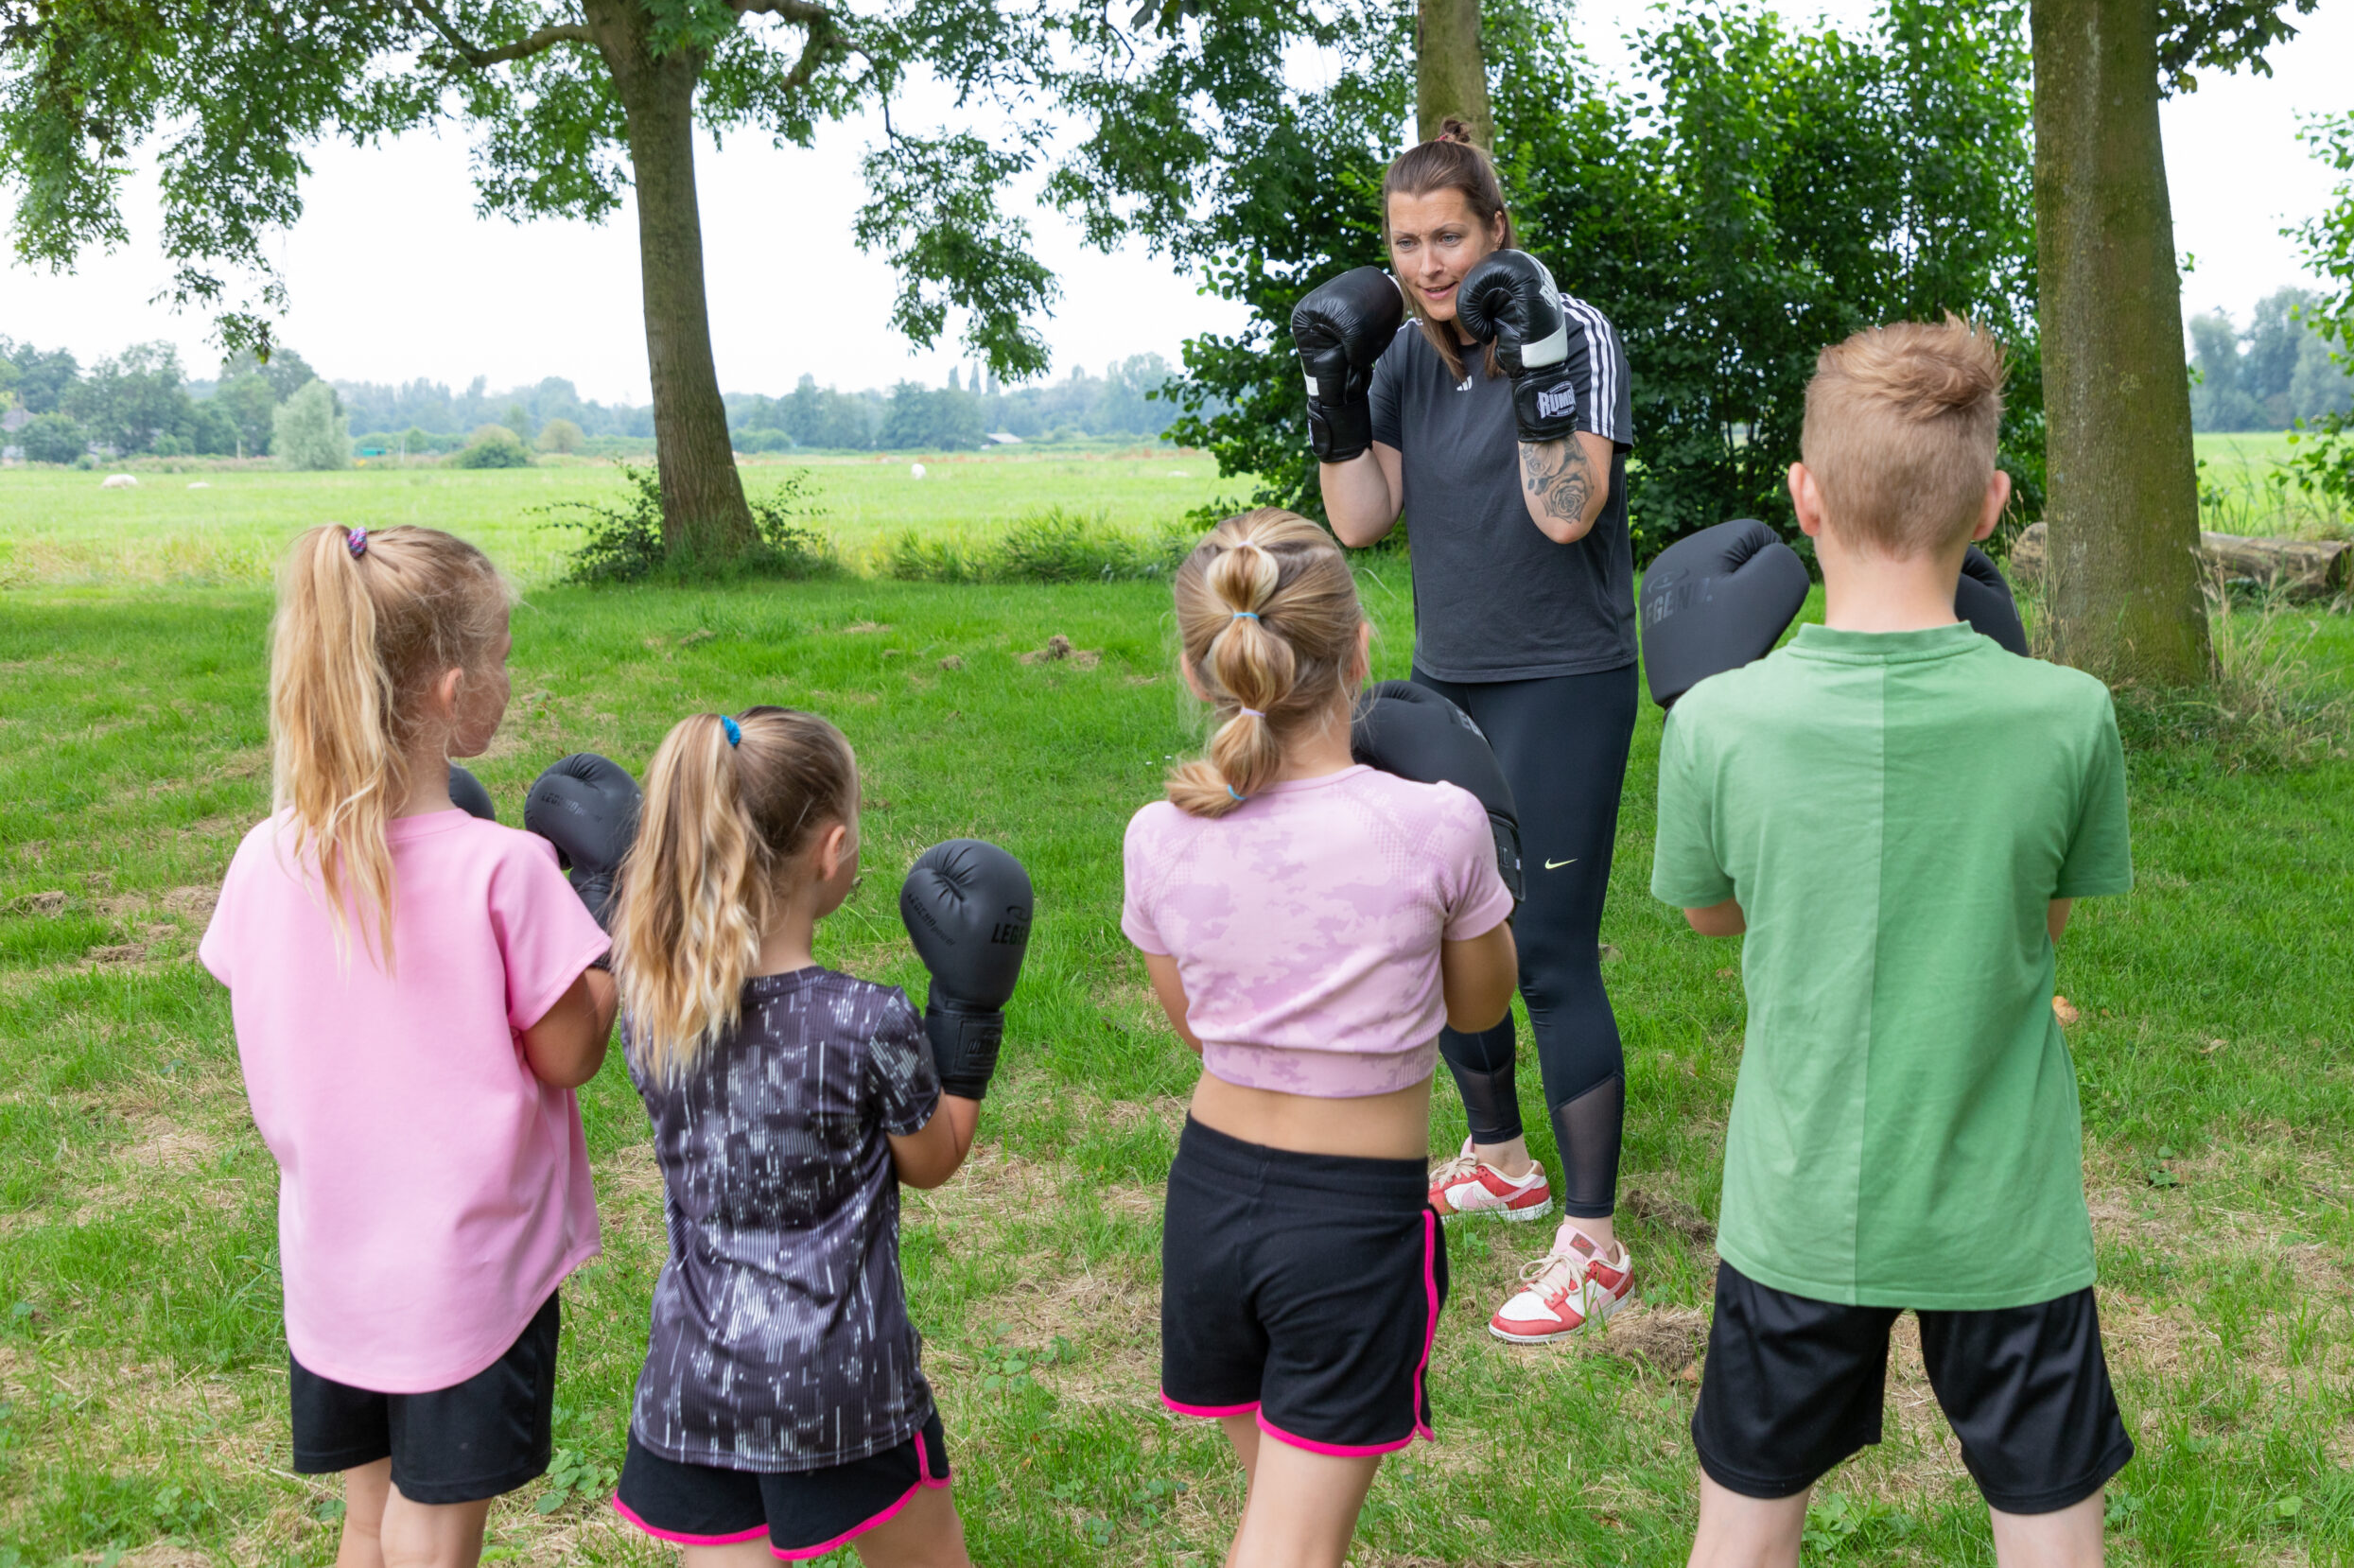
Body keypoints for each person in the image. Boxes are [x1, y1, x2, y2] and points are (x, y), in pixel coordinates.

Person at [1650, 320, 2136, 1566]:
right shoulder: (2067, 713)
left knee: (1742, 1529)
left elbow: (1715, 911)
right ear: (1992, 506)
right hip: (2005, 1212)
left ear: (1804, 498)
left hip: (1803, 1197)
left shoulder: (1717, 720)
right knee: (2052, 1535)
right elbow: (2043, 928)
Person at [201, 524, 620, 1568]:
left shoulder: (267, 857)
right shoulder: (505, 871)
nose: (509, 678)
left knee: (367, 1522)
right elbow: (570, 1051)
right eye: (502, 656)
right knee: (434, 1537)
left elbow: (270, 989)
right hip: (464, 1280)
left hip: (334, 1259)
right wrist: (602, 905)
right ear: (448, 689)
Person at [1296, 117, 1641, 1342]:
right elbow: (1362, 521)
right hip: (1450, 675)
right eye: (1408, 241)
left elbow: (1567, 513)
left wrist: (1538, 354)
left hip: (1563, 675)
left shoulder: (1574, 327)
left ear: (1494, 230)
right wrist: (1334, 395)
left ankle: (1594, 1243)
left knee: (1546, 949)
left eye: (1450, 234)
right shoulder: (1398, 354)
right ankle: (1501, 1157)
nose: (1431, 261)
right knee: (1443, 926)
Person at [1124, 509, 1520, 1567]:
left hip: (1209, 1201)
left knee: (1281, 1518)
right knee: (1289, 1549)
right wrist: (1484, 872)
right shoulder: (1436, 823)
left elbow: (1199, 1029)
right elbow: (1480, 1014)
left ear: (1199, 667)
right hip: (1344, 1223)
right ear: (1360, 652)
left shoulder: (1158, 833)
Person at [604, 706, 1030, 1568]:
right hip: (843, 1384)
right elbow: (934, 1156)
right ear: (832, 852)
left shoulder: (653, 1009)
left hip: (701, 1380)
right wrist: (968, 1010)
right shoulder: (865, 1019)